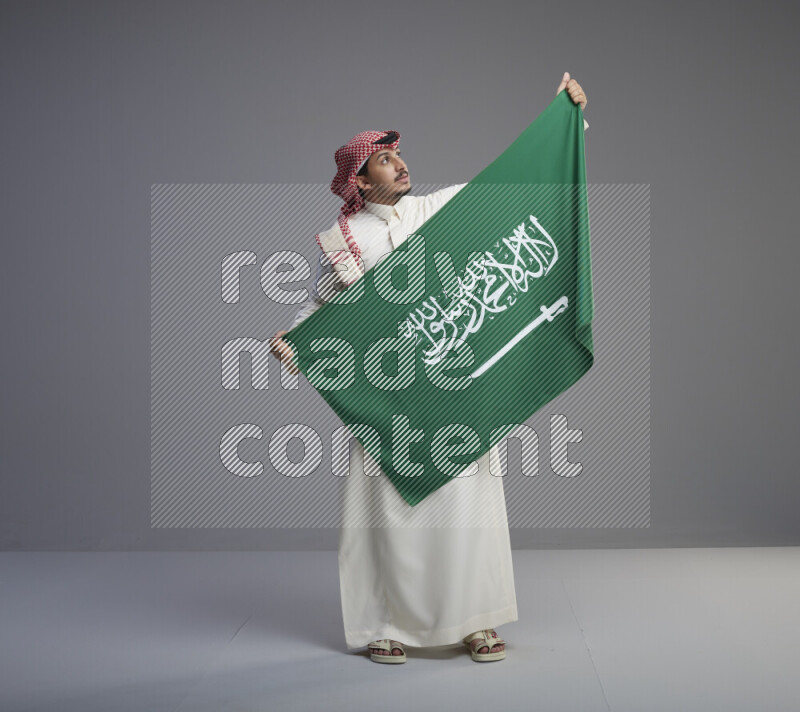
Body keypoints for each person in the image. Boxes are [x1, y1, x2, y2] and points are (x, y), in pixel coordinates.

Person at [271, 73, 588, 663]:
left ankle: (476, 620)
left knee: (468, 504)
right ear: (359, 182)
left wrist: (563, 122)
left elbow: (505, 186)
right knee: (386, 509)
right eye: (385, 161)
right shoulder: (344, 241)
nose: (401, 165)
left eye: (399, 156)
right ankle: (385, 626)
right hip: (390, 394)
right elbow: (321, 306)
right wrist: (294, 338)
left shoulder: (435, 212)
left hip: (453, 382)